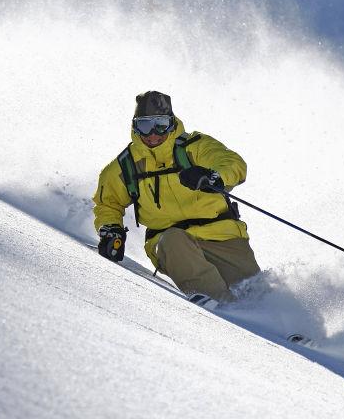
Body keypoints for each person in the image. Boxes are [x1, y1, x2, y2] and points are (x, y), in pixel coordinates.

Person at [92, 91, 261, 306]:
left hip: (222, 235)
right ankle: (228, 312)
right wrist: (110, 229)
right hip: (168, 242)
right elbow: (108, 203)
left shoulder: (195, 147)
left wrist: (213, 176)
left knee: (254, 291)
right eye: (144, 126)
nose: (152, 134)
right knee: (173, 240)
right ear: (135, 127)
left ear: (171, 123)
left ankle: (282, 329)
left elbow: (233, 163)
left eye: (160, 124)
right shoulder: (127, 165)